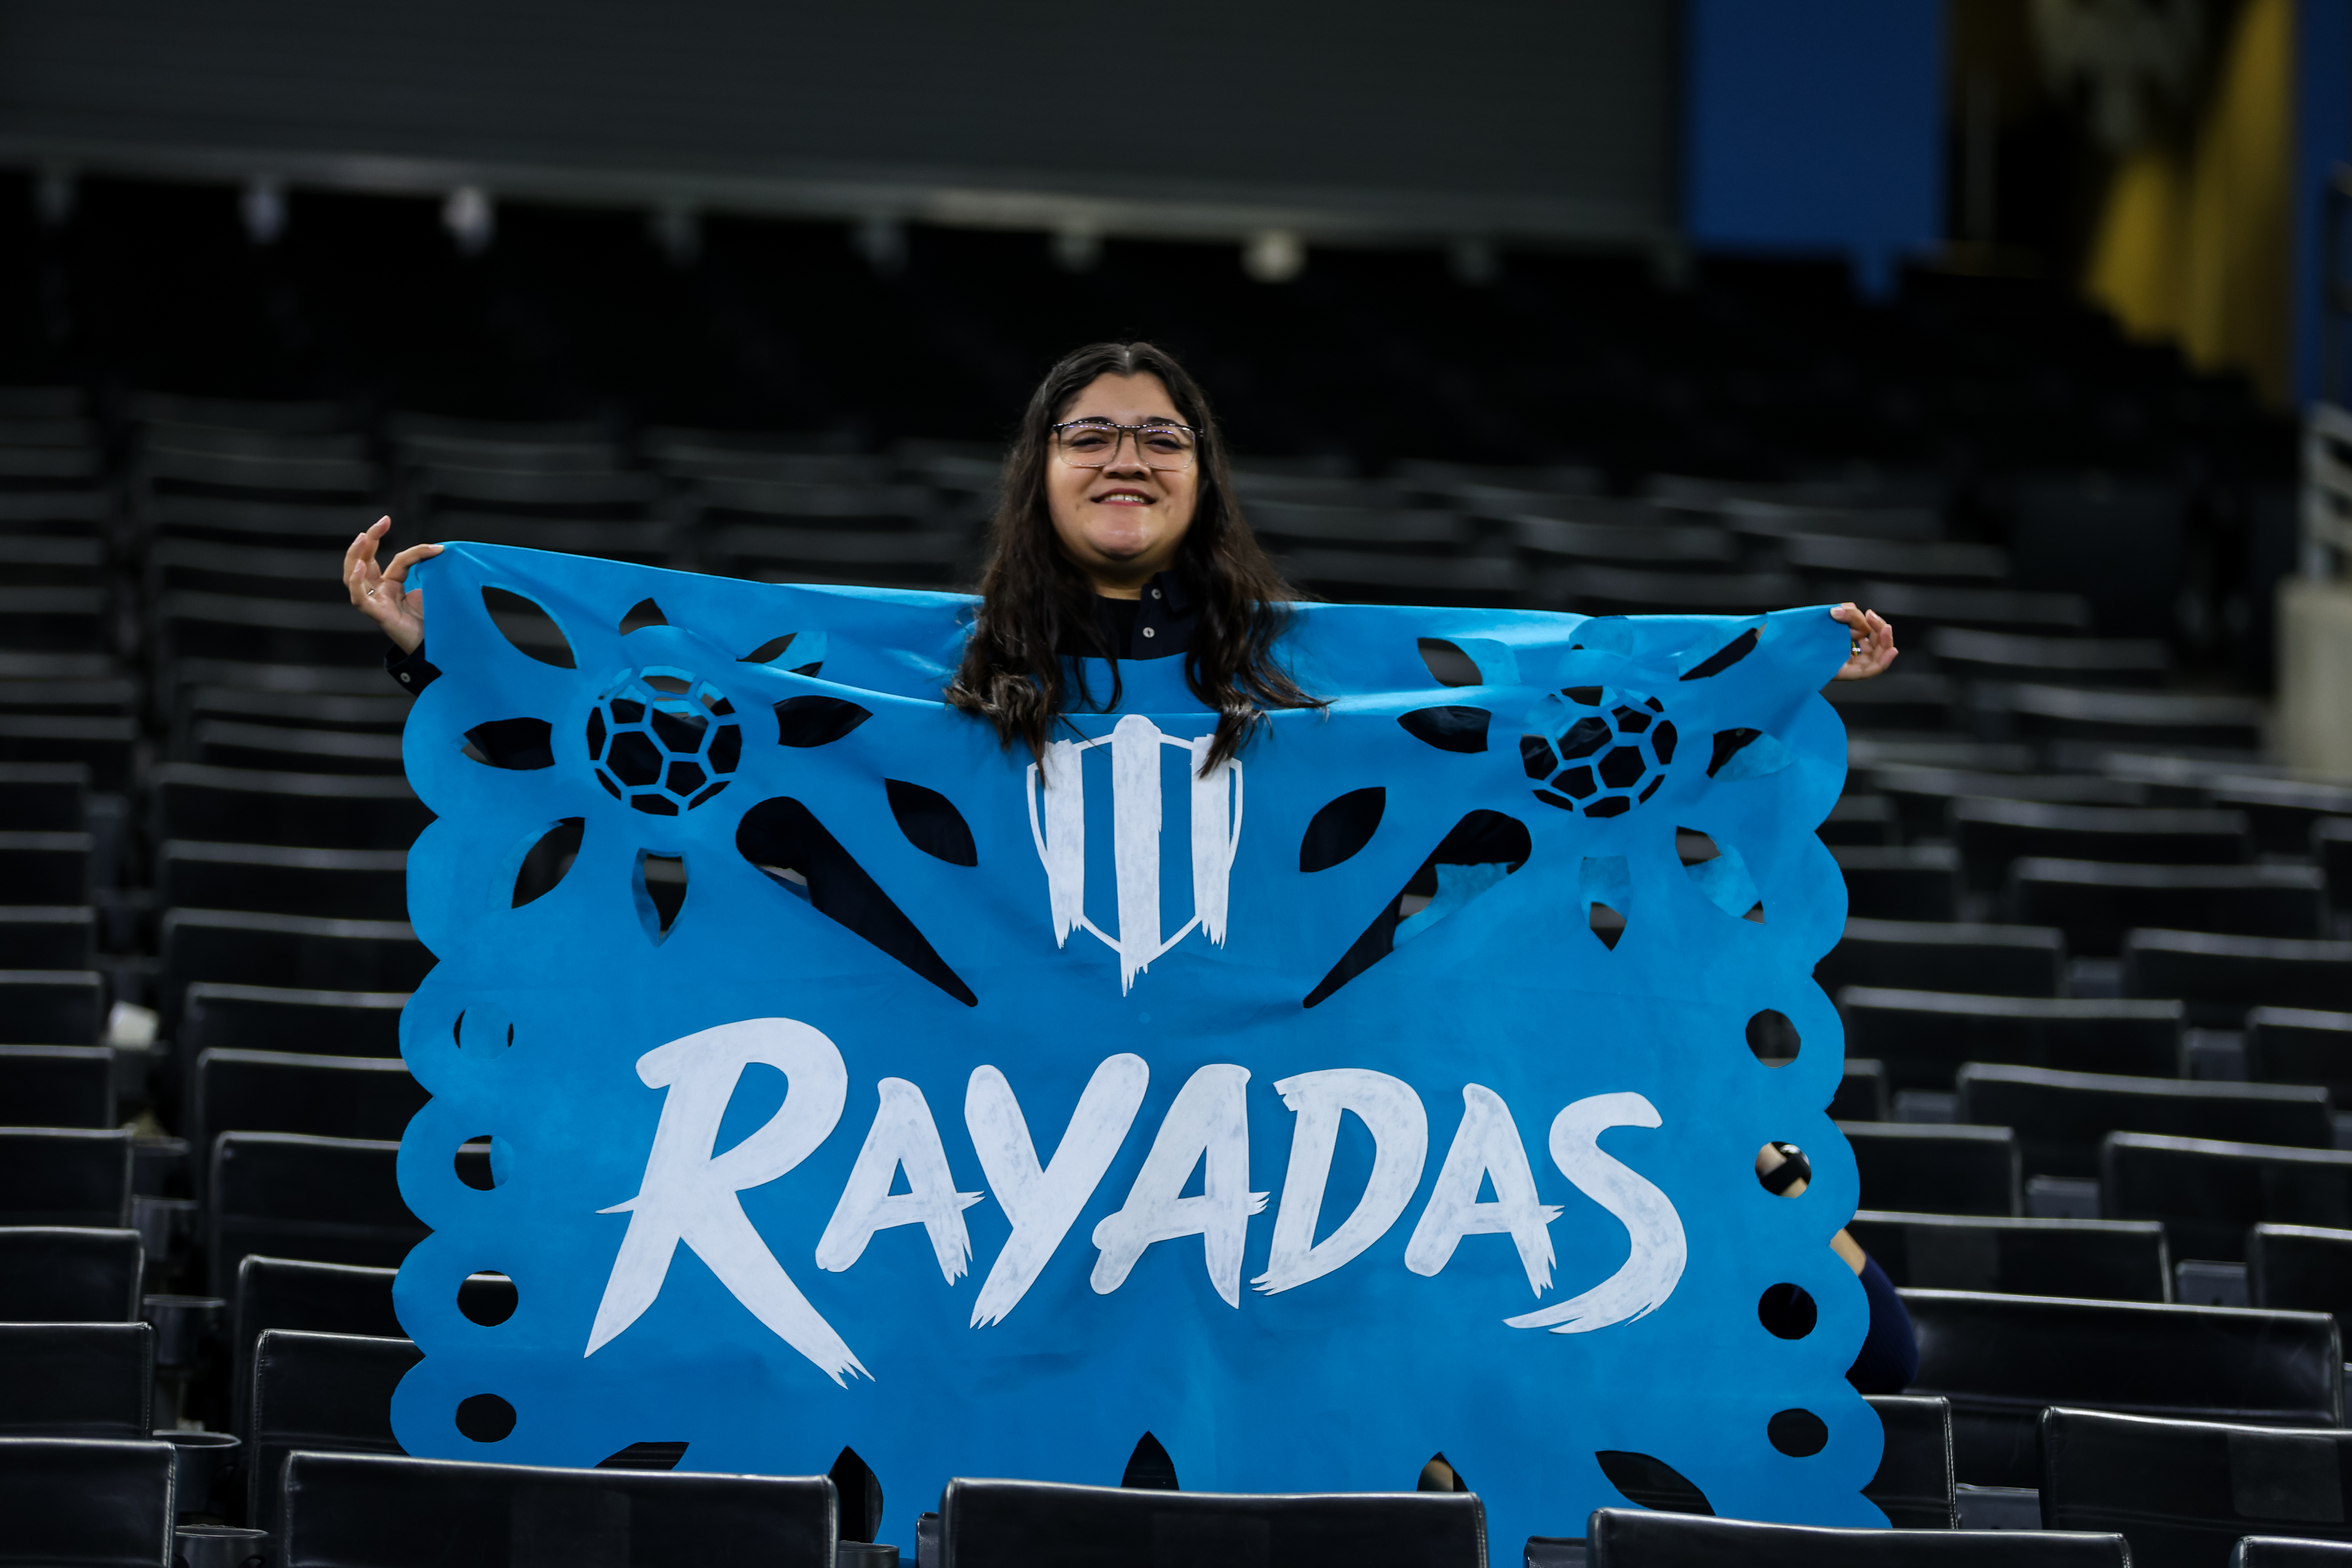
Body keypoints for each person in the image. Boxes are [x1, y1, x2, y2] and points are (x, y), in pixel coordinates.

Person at [342, 339, 1898, 713]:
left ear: (1204, 479)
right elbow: (696, 731)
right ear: (1041, 476)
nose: (1128, 458)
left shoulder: (1297, 673)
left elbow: (1533, 733)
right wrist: (448, 652)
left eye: (1163, 437)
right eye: (1090, 435)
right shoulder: (938, 664)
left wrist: (1770, 680)